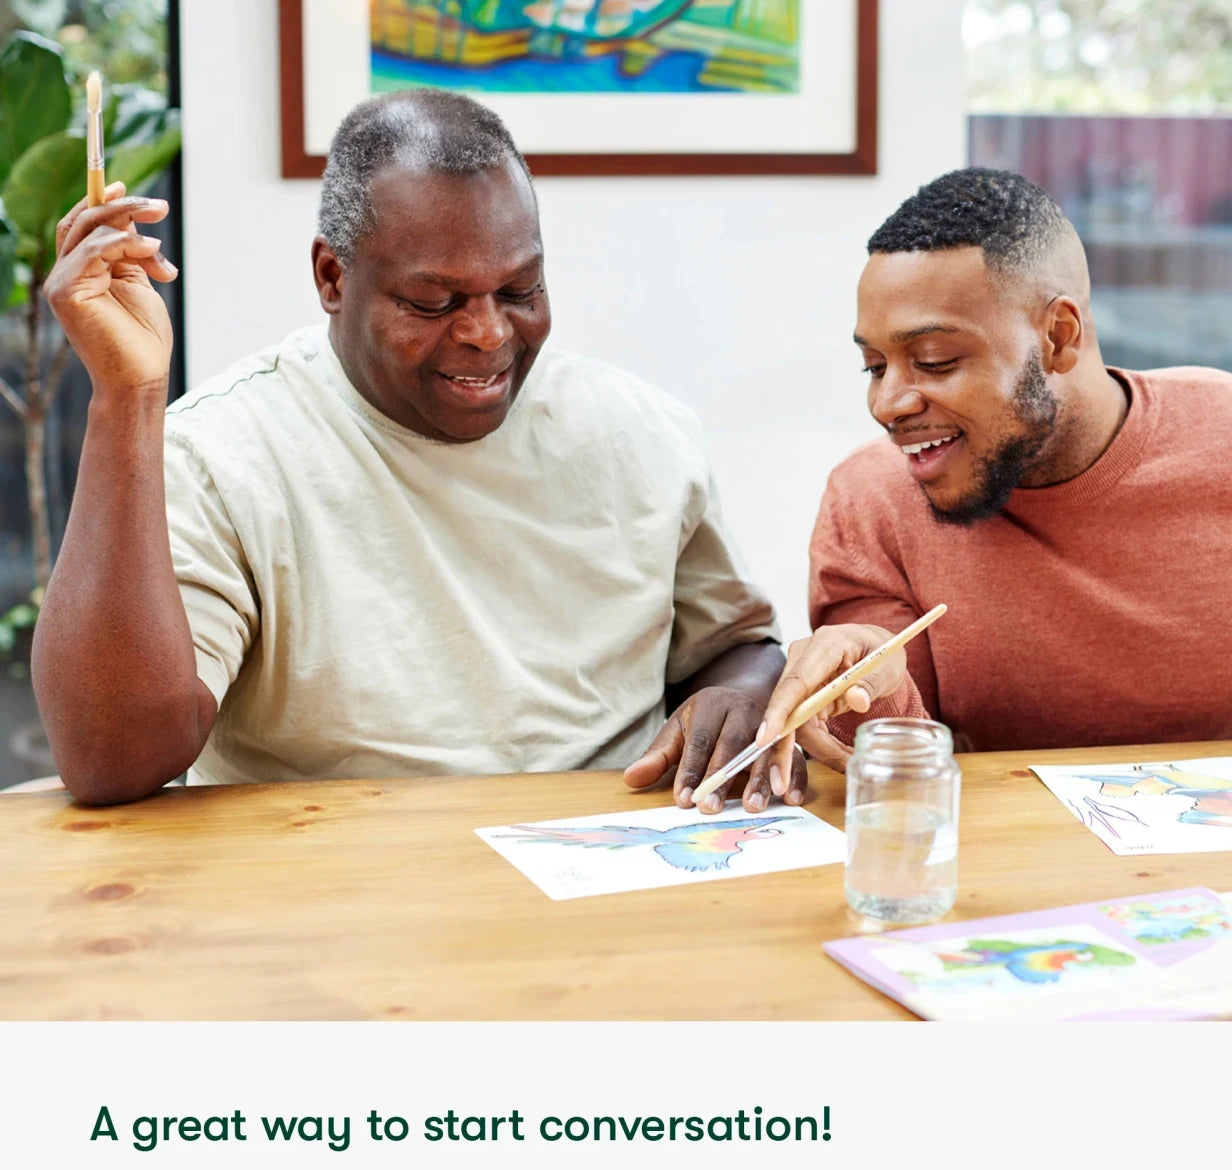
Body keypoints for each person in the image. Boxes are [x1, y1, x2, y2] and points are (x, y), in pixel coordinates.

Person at [34, 89, 806, 809]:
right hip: (341, 892)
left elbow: (737, 648)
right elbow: (113, 759)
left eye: (520, 290)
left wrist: (739, 692)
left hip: (601, 875)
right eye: (434, 301)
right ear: (332, 277)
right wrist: (127, 400)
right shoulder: (225, 454)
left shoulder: (639, 431)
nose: (488, 333)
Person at [757, 166, 1232, 785]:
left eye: (935, 360)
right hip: (1003, 863)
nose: (888, 405)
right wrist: (874, 690)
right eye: (874, 367)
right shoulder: (871, 499)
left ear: (1059, 338)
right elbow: (894, 763)